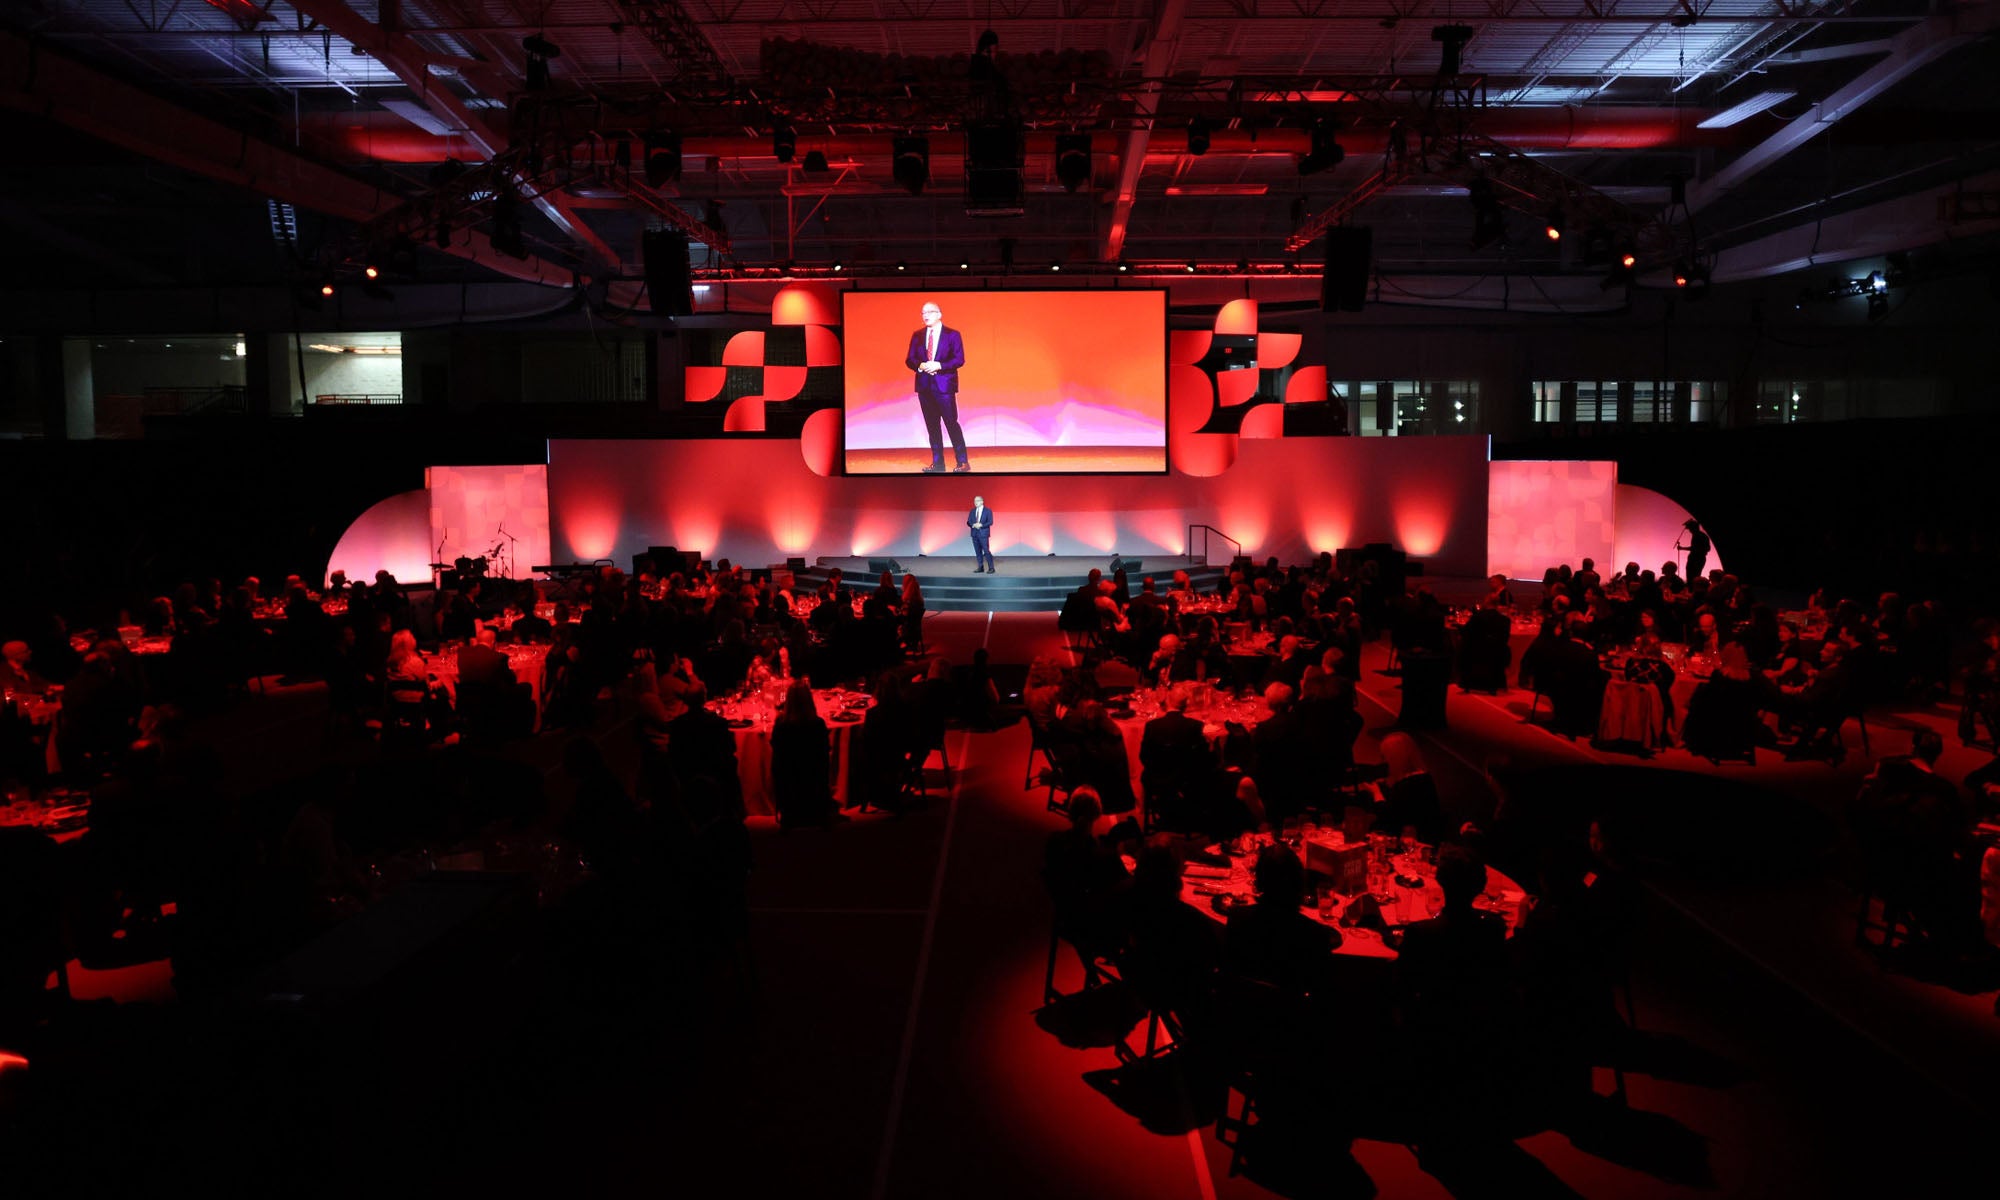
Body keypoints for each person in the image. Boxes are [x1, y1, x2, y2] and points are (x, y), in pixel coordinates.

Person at [1225, 843, 1340, 994]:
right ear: (1300, 882)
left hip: (1239, 1008)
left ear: (1258, 881)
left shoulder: (1237, 918)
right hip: (1293, 1014)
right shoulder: (1314, 935)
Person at [906, 300, 970, 473]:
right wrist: (921, 365)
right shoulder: (917, 335)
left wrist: (939, 365)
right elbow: (910, 359)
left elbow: (959, 359)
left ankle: (963, 462)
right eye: (923, 313)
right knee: (932, 426)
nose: (926, 315)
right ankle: (938, 463)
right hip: (925, 387)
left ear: (939, 314)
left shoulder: (952, 335)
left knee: (951, 423)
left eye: (930, 312)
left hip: (944, 387)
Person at [770, 680, 837, 828]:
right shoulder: (818, 724)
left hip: (788, 777)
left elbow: (775, 750)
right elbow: (825, 752)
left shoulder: (781, 724)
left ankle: (788, 808)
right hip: (813, 774)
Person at [966, 494, 996, 573]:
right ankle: (980, 567)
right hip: (974, 534)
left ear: (982, 502)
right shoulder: (972, 511)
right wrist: (973, 525)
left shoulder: (987, 511)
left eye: (977, 500)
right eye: (974, 501)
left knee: (986, 551)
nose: (975, 502)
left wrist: (981, 525)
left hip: (983, 534)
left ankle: (991, 568)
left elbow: (990, 522)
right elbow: (968, 522)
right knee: (977, 551)